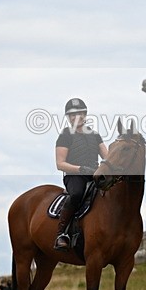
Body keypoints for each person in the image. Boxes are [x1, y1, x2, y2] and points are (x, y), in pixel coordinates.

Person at [54, 97, 109, 250]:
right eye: (73, 114)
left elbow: (107, 157)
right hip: (74, 176)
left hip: (95, 175)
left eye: (80, 113)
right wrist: (80, 169)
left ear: (85, 115)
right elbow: (60, 164)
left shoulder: (95, 135)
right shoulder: (65, 136)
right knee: (77, 194)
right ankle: (62, 233)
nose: (77, 117)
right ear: (69, 117)